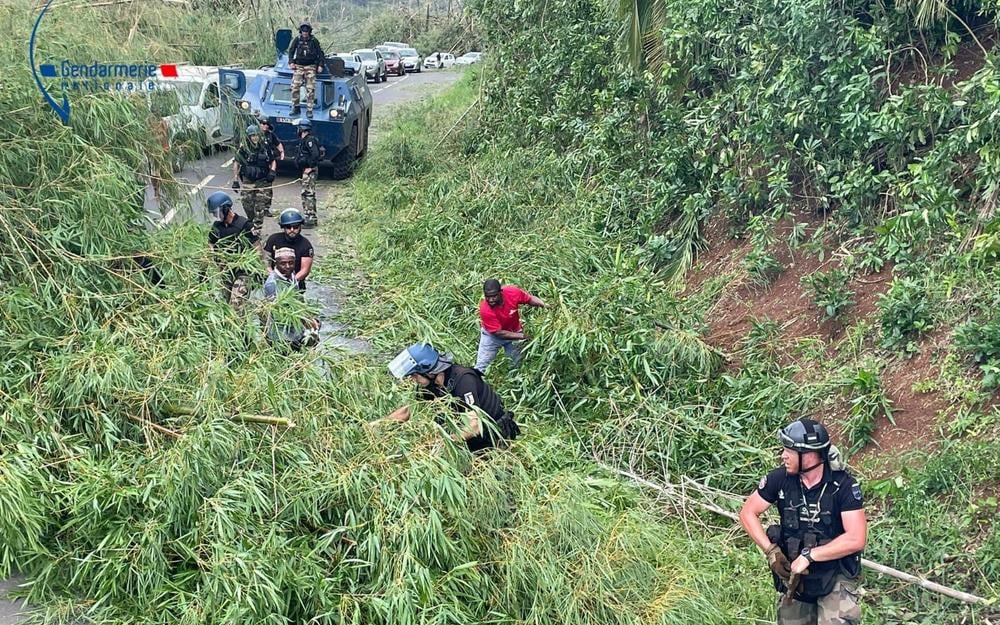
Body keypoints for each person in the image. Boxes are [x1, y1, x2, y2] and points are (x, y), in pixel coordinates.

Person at [739, 418, 866, 625]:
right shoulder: (780, 479)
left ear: (809, 455)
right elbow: (747, 513)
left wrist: (810, 555)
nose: (783, 455)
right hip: (795, 576)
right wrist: (771, 550)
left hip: (835, 574)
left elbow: (856, 538)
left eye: (789, 450)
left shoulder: (842, 485)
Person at [386, 343, 520, 453]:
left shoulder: (463, 380)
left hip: (493, 435)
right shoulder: (430, 386)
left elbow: (475, 424)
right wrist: (382, 424)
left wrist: (446, 442)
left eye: (415, 376)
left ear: (429, 371)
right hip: (466, 437)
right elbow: (411, 409)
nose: (413, 380)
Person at [475, 279, 547, 373]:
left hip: (514, 331)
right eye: (488, 297)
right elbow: (499, 333)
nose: (491, 299)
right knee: (481, 367)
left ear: (501, 292)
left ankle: (513, 382)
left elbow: (529, 299)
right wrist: (523, 336)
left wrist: (545, 305)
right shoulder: (485, 309)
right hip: (492, 336)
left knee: (517, 366)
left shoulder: (512, 292)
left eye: (494, 296)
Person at [207, 191, 259, 306]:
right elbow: (210, 244)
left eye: (217, 212)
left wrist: (258, 271)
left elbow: (257, 249)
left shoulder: (245, 225)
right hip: (225, 271)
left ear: (226, 209)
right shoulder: (217, 227)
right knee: (226, 305)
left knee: (236, 304)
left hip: (243, 272)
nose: (216, 216)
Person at [262, 247, 320, 350]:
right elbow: (279, 314)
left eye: (291, 263)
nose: (287, 266)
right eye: (283, 263)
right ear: (276, 263)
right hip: (281, 336)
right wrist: (304, 320)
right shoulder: (272, 284)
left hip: (294, 330)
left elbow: (297, 299)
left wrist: (308, 316)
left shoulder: (291, 276)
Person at [232, 124, 276, 237]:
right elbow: (236, 163)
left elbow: (273, 160)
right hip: (248, 181)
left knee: (260, 206)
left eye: (256, 135)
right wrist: (235, 180)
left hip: (262, 181)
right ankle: (251, 221)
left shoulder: (265, 147)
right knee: (247, 203)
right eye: (252, 136)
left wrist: (272, 171)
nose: (254, 138)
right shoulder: (244, 149)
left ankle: (257, 229)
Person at [263, 208, 314, 293]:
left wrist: (290, 283)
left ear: (300, 226)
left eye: (295, 227)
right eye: (288, 227)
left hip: (295, 284)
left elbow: (305, 270)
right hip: (273, 282)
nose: (292, 230)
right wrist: (273, 277)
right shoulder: (273, 239)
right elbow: (265, 262)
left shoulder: (306, 245)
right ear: (283, 227)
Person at [287, 22, 325, 117]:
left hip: (310, 66)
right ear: (301, 31)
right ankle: (296, 107)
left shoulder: (313, 41)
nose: (305, 32)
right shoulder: (297, 40)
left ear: (309, 31)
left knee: (310, 88)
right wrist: (291, 62)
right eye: (303, 31)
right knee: (294, 87)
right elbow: (291, 51)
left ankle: (309, 110)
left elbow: (320, 54)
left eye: (306, 30)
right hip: (299, 66)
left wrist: (320, 65)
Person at [294, 120, 322, 228]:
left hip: (309, 171)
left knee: (308, 194)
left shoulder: (310, 140)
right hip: (305, 170)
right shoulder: (304, 140)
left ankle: (311, 218)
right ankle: (308, 216)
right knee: (306, 194)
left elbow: (315, 154)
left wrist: (310, 167)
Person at [258, 116, 284, 217]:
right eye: (263, 124)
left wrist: (281, 152)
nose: (265, 126)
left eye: (267, 124)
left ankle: (266, 208)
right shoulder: (253, 134)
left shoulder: (270, 135)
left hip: (268, 164)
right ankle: (258, 208)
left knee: (268, 188)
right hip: (257, 165)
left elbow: (278, 144)